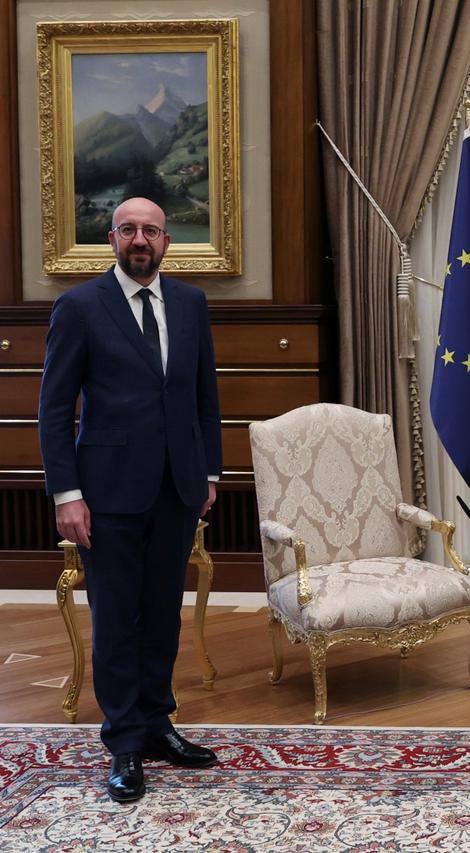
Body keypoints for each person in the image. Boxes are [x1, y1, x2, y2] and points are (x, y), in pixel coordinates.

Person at [38, 197, 223, 803]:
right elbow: (53, 409)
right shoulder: (80, 307)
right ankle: (123, 741)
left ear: (167, 241)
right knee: (117, 618)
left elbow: (204, 399)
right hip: (107, 492)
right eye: (128, 230)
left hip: (177, 487)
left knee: (162, 613)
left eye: (150, 230)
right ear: (110, 238)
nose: (140, 239)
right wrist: (67, 494)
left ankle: (156, 725)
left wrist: (210, 474)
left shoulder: (192, 305)